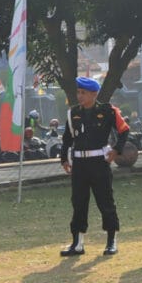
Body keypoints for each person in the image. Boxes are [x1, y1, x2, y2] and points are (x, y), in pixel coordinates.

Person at [59, 77, 130, 256]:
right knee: (79, 202)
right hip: (79, 164)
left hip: (99, 162)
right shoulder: (73, 113)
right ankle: (77, 243)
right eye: (78, 92)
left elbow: (124, 130)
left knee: (105, 201)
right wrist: (64, 159)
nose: (80, 96)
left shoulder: (108, 111)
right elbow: (67, 138)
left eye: (83, 93)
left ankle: (111, 240)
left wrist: (117, 149)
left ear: (94, 94)